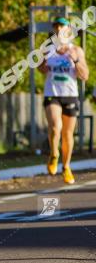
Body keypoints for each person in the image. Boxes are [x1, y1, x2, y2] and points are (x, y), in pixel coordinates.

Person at [38, 17, 89, 183]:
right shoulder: (48, 49)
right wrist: (43, 59)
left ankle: (66, 167)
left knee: (67, 134)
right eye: (56, 27)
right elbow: (41, 69)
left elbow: (84, 75)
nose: (59, 29)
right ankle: (54, 154)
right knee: (55, 127)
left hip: (70, 95)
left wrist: (74, 59)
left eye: (62, 26)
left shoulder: (77, 50)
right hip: (52, 93)